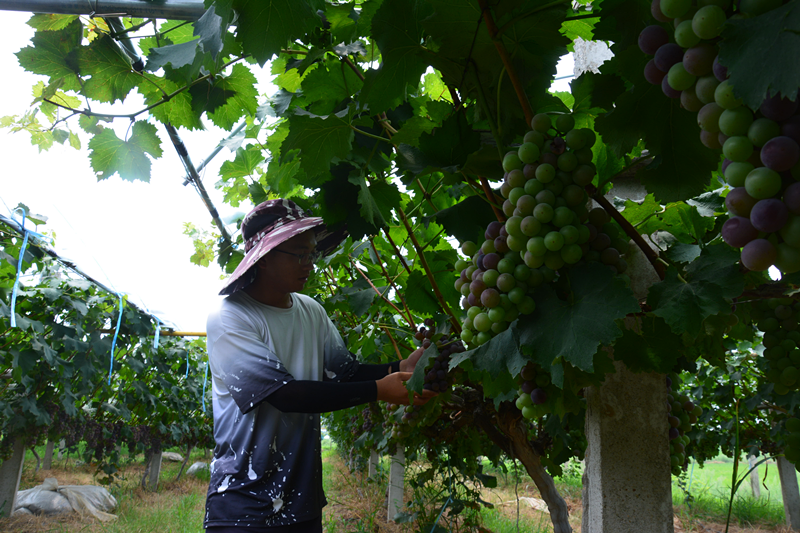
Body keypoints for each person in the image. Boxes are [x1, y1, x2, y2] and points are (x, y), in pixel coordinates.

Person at [203, 199, 434, 532]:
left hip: (301, 503)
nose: (309, 263)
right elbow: (284, 395)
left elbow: (347, 373)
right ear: (264, 259)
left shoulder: (311, 310)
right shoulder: (231, 316)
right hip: (242, 505)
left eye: (312, 253)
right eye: (299, 254)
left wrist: (399, 366)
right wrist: (379, 390)